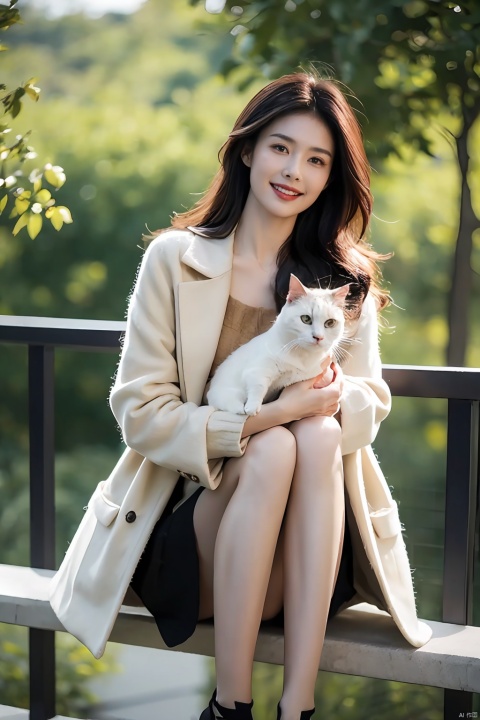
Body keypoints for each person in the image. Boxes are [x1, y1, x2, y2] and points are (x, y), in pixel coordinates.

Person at [49, 71, 432, 720]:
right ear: (248, 150)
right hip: (188, 547)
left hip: (306, 557)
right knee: (279, 443)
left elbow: (367, 406)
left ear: (332, 176)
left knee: (317, 433)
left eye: (318, 159)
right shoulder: (175, 261)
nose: (295, 171)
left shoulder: (342, 285)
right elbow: (140, 413)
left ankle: (297, 707)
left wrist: (327, 404)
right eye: (282, 147)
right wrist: (272, 416)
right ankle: (231, 705)